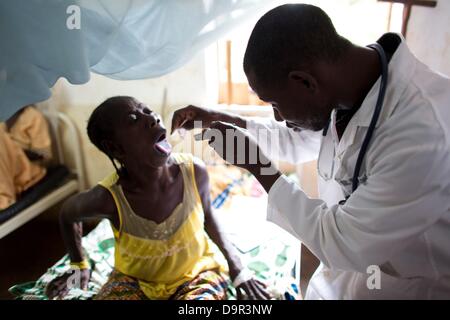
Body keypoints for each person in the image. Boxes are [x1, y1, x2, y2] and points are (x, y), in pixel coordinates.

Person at [171, 4, 450, 299]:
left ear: (305, 81)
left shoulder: (422, 130)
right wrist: (226, 119)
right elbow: (296, 141)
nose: (278, 117)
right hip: (355, 279)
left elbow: (344, 242)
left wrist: (258, 167)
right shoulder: (347, 90)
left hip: (412, 287)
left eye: (275, 104)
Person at [46, 96, 270, 300]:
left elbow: (209, 218)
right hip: (133, 281)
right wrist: (78, 265)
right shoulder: (109, 198)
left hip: (197, 274)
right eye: (133, 119)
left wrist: (236, 265)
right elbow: (67, 214)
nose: (151, 118)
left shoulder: (193, 172)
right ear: (115, 148)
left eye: (148, 110)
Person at [0, 105, 52, 210]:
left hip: (25, 168)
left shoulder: (33, 116)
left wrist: (14, 148)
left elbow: (45, 156)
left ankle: (4, 196)